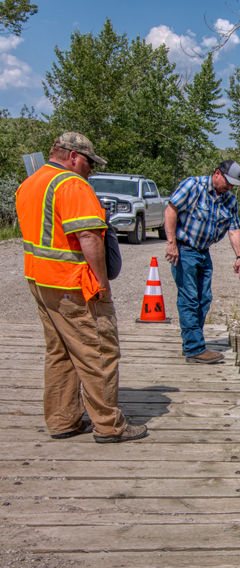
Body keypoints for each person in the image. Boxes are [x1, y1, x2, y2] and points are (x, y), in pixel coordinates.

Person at [16, 131, 148, 443]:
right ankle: (109, 425)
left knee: (60, 351)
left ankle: (63, 420)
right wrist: (101, 283)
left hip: (40, 280)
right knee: (99, 352)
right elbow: (88, 237)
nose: (91, 168)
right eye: (89, 162)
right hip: (73, 284)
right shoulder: (72, 185)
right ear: (73, 156)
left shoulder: (31, 183)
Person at [164, 160, 240, 364]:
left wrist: (239, 256)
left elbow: (234, 229)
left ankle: (193, 342)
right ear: (217, 173)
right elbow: (171, 210)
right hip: (185, 249)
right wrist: (171, 243)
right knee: (189, 298)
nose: (229, 187)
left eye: (232, 185)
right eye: (227, 182)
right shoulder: (193, 186)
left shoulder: (229, 201)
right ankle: (194, 348)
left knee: (204, 298)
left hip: (203, 252)